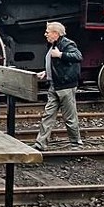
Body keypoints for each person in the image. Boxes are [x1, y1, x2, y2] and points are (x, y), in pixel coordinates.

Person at [33, 22, 83, 151]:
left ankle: (76, 143)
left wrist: (61, 55)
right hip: (54, 85)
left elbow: (78, 56)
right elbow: (55, 64)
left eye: (47, 32)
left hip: (65, 86)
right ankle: (40, 143)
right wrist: (47, 73)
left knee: (69, 116)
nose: (45, 34)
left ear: (56, 33)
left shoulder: (67, 44)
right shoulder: (53, 45)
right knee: (48, 115)